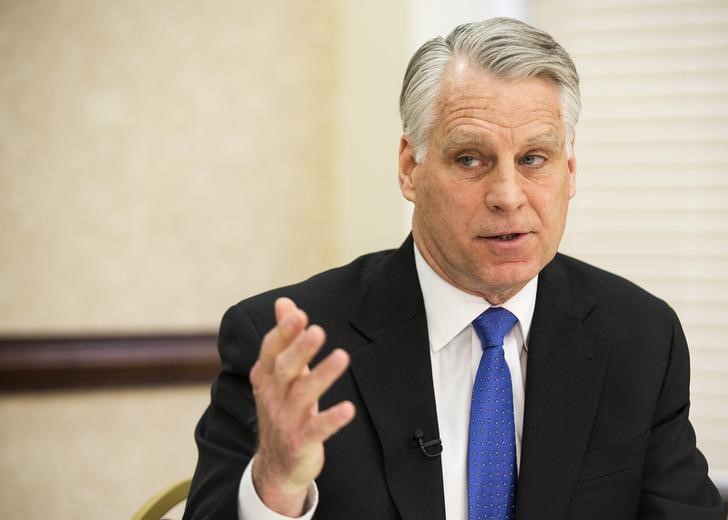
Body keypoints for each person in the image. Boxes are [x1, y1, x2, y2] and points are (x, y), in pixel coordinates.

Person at [182, 17, 725, 520]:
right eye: (470, 159)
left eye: (534, 158)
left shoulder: (640, 337)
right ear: (410, 169)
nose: (508, 196)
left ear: (571, 169)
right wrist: (275, 487)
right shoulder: (290, 346)